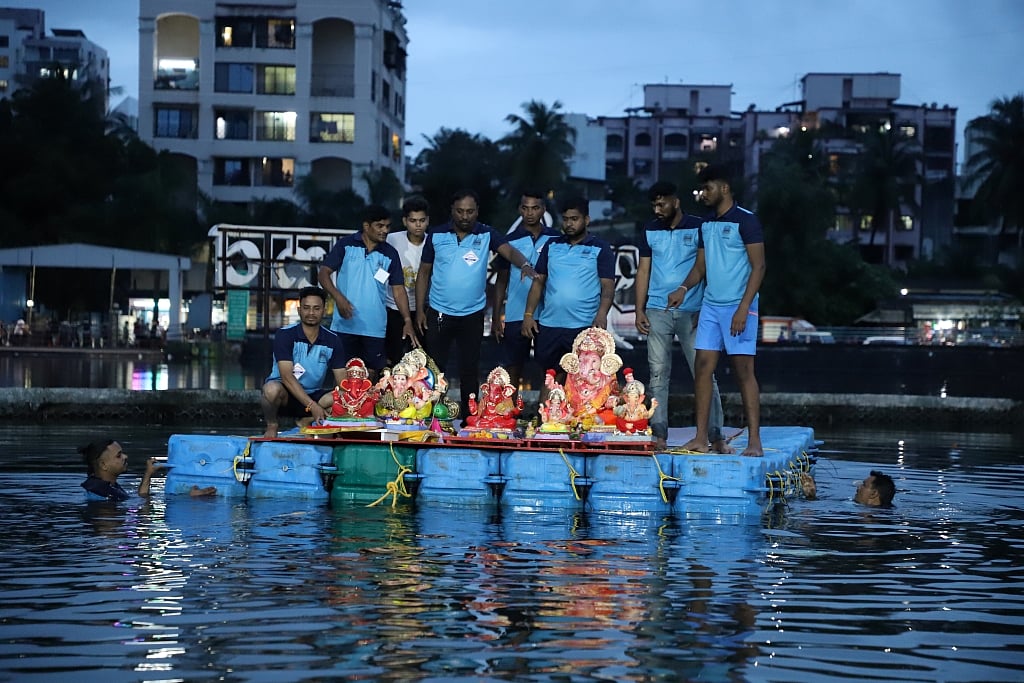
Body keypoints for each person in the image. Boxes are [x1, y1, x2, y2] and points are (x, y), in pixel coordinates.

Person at [415, 189, 539, 418]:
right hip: (439, 312)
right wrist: (420, 311)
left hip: (472, 314)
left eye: (470, 212)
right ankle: (432, 415)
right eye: (460, 211)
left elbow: (510, 252)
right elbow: (423, 273)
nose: (465, 216)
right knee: (434, 368)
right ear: (452, 211)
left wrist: (525, 265)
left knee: (469, 369)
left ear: (477, 212)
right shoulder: (436, 235)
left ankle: (468, 417)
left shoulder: (487, 234)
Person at [668, 165, 766, 457]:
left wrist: (743, 307)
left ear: (724, 188)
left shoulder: (746, 221)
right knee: (702, 368)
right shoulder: (705, 224)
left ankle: (755, 442)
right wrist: (683, 290)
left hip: (740, 307)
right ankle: (700, 437)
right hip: (711, 305)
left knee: (743, 372)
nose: (703, 194)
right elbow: (700, 268)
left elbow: (759, 266)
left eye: (708, 188)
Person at [635, 180, 729, 453]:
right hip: (657, 310)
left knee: (704, 373)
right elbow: (643, 271)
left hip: (694, 311)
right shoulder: (650, 229)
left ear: (676, 201)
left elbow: (709, 267)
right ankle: (659, 434)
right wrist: (639, 309)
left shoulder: (699, 226)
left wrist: (707, 307)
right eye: (654, 204)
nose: (658, 208)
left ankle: (716, 435)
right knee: (657, 375)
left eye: (662, 203)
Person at [522, 196, 615, 381]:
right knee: (549, 379)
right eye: (565, 219)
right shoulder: (552, 245)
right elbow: (538, 282)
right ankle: (546, 411)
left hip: (583, 327)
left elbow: (608, 288)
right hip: (549, 326)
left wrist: (602, 314)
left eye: (574, 219)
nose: (569, 224)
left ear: (586, 220)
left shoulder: (600, 248)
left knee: (582, 382)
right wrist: (528, 315)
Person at [318, 204, 417, 374]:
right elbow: (323, 274)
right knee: (343, 374)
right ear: (366, 226)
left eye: (387, 226)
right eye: (380, 226)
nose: (385, 230)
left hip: (375, 326)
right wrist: (339, 298)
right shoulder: (346, 245)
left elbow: (398, 289)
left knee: (370, 377)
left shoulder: (390, 253)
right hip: (344, 325)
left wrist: (407, 320)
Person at [491, 190, 560, 390]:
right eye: (525, 208)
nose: (530, 213)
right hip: (516, 314)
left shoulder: (556, 239)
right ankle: (511, 415)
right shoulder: (508, 241)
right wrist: (497, 317)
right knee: (513, 367)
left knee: (548, 368)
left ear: (543, 210)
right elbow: (501, 281)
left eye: (535, 208)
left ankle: (548, 416)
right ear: (520, 209)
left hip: (548, 315)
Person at [261, 286, 348, 438]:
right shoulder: (285, 335)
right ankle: (272, 424)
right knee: (270, 390)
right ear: (299, 310)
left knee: (344, 396)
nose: (311, 313)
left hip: (315, 395)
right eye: (306, 308)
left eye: (316, 308)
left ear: (324, 310)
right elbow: (287, 377)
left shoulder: (333, 340)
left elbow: (343, 382)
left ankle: (307, 420)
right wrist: (312, 406)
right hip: (286, 395)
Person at [79, 439, 215, 500]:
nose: (125, 457)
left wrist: (148, 474)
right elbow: (142, 509)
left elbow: (140, 498)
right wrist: (188, 499)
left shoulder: (103, 486)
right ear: (103, 465)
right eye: (119, 455)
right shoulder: (102, 493)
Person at [384, 196, 430, 367]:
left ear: (427, 221)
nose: (417, 225)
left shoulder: (433, 242)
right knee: (393, 358)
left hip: (423, 309)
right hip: (393, 307)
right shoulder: (392, 240)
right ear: (405, 221)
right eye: (413, 220)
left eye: (422, 220)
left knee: (421, 359)